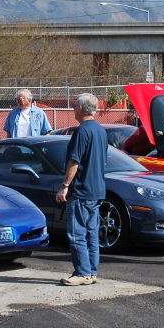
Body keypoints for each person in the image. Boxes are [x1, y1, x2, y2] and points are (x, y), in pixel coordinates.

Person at [55, 94, 107, 285]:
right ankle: (91, 272)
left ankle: (82, 272)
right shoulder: (100, 131)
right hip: (97, 190)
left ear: (83, 108)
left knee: (77, 233)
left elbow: (74, 161)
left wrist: (65, 186)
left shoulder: (82, 131)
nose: (73, 108)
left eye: (75, 105)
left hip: (81, 190)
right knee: (92, 233)